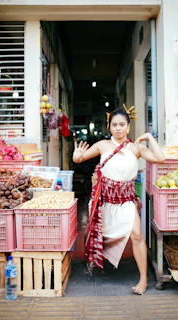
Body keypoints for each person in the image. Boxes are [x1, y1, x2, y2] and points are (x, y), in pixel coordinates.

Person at [73, 105, 165, 295]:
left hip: (126, 200)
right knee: (102, 236)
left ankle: (143, 280)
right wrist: (76, 155)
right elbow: (79, 159)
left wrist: (149, 137)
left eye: (122, 124)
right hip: (104, 201)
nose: (118, 128)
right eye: (114, 124)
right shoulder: (102, 145)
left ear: (128, 127)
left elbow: (160, 158)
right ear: (109, 127)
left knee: (137, 235)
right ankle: (100, 258)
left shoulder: (137, 148)